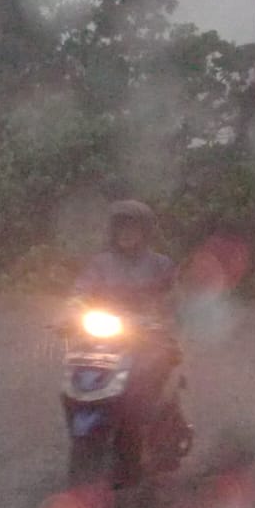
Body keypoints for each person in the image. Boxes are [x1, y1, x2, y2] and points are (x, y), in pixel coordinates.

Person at [70, 200, 189, 484]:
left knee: (145, 389)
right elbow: (81, 291)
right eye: (122, 227)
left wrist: (166, 319)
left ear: (145, 232)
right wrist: (73, 310)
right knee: (78, 377)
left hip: (149, 339)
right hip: (105, 338)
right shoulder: (101, 263)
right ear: (113, 230)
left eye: (133, 227)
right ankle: (86, 431)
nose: (127, 233)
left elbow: (174, 299)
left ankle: (151, 438)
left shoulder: (160, 264)